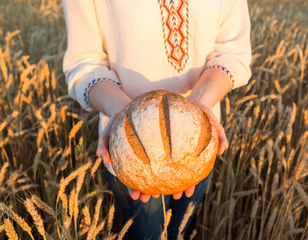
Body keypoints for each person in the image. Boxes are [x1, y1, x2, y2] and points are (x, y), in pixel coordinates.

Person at [62, 0, 252, 239]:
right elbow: (84, 63)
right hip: (130, 153)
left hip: (198, 147)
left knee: (180, 230)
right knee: (148, 233)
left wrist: (200, 102)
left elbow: (233, 51)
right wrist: (125, 114)